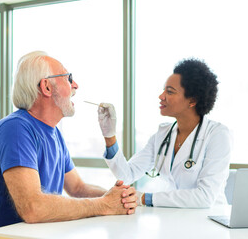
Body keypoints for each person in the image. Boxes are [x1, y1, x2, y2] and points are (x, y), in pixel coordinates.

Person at [0, 51, 137, 239]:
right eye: (68, 78)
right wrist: (104, 204)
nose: (75, 85)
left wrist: (118, 197)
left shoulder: (54, 133)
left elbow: (78, 188)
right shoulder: (15, 129)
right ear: (46, 87)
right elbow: (33, 208)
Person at [97, 58, 232, 208]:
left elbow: (205, 197)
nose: (161, 96)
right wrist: (110, 136)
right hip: (172, 219)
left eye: (169, 92)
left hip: (209, 222)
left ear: (192, 101)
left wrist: (143, 198)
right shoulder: (163, 134)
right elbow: (127, 175)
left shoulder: (217, 135)